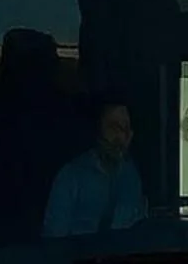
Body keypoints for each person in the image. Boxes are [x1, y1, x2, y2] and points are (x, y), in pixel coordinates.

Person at [42, 101, 148, 237]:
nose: (120, 136)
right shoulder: (71, 176)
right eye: (113, 127)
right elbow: (54, 239)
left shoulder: (131, 176)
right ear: (99, 130)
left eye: (126, 129)